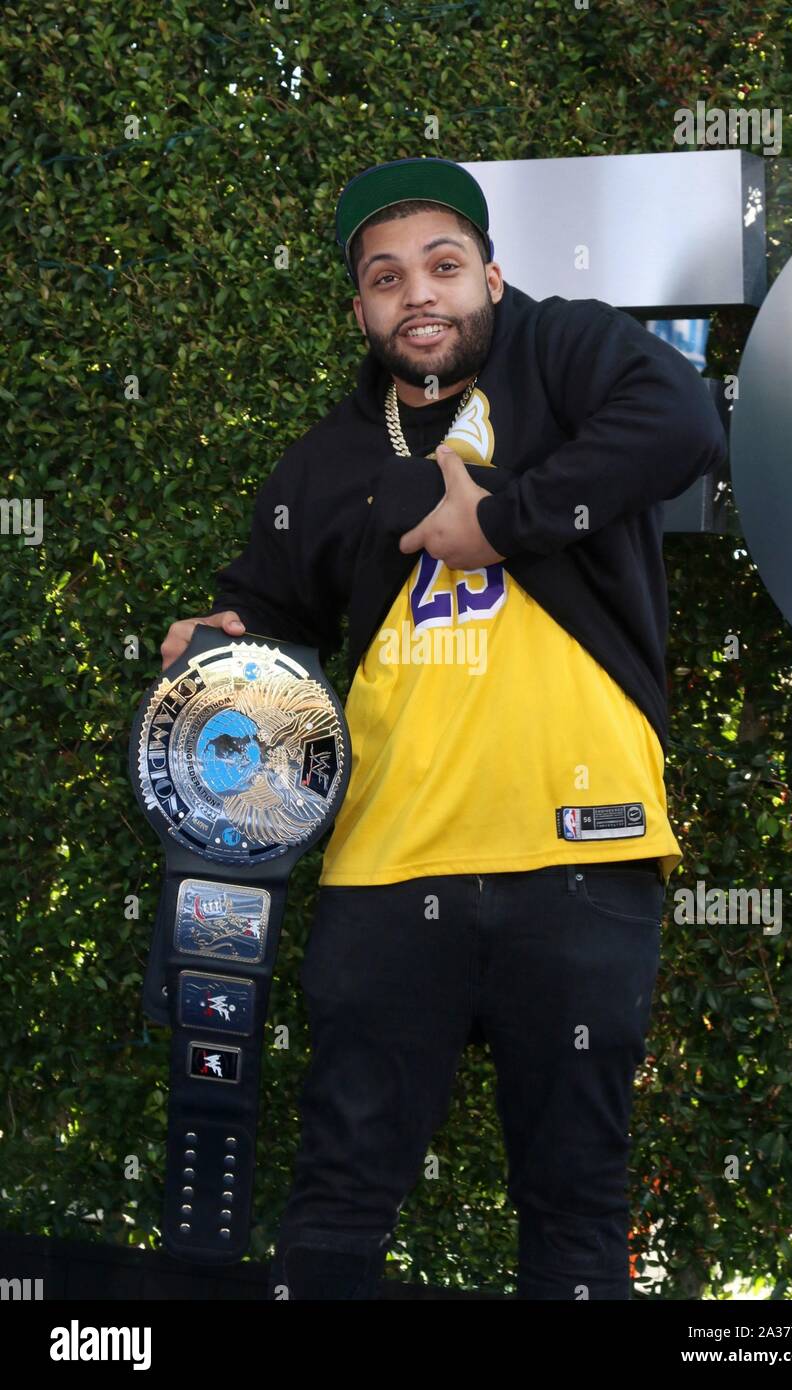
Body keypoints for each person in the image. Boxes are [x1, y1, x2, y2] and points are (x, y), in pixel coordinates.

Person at [160, 156, 728, 1299]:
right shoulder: (325, 460)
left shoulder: (564, 353)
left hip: (581, 852)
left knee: (577, 1204)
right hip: (384, 867)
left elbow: (679, 422)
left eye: (442, 265)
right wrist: (223, 646)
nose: (417, 293)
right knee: (337, 1194)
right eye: (385, 277)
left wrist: (501, 521)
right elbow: (269, 611)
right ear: (360, 308)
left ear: (491, 276)